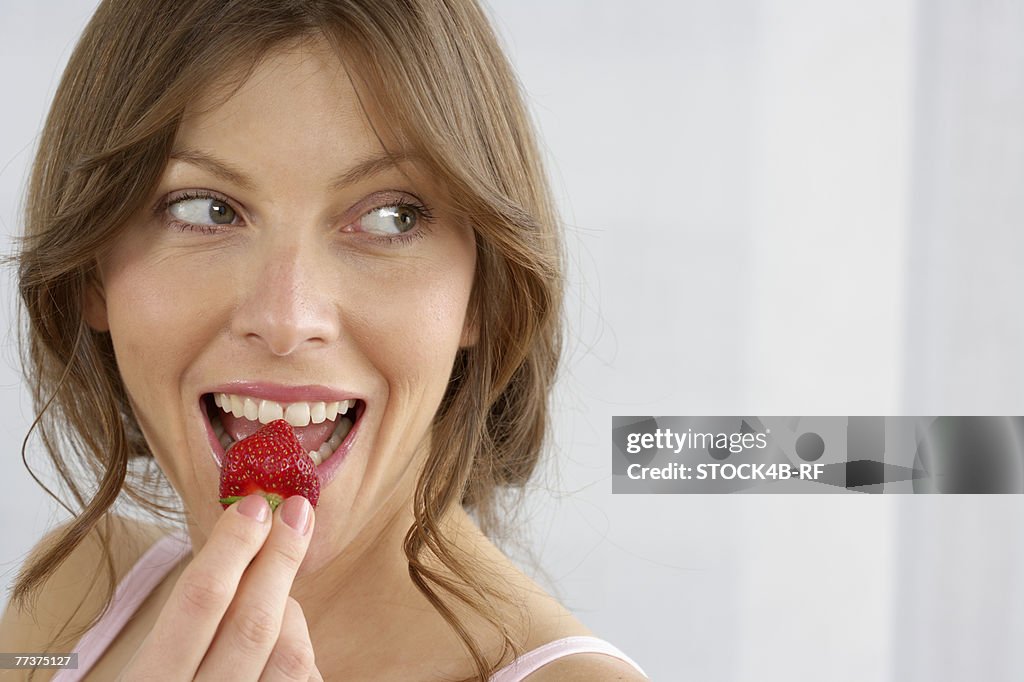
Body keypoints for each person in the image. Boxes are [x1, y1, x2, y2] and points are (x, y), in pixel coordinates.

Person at [0, 1, 647, 680]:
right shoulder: (69, 607)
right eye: (204, 209)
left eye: (390, 217)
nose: (286, 320)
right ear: (93, 274)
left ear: (484, 288)